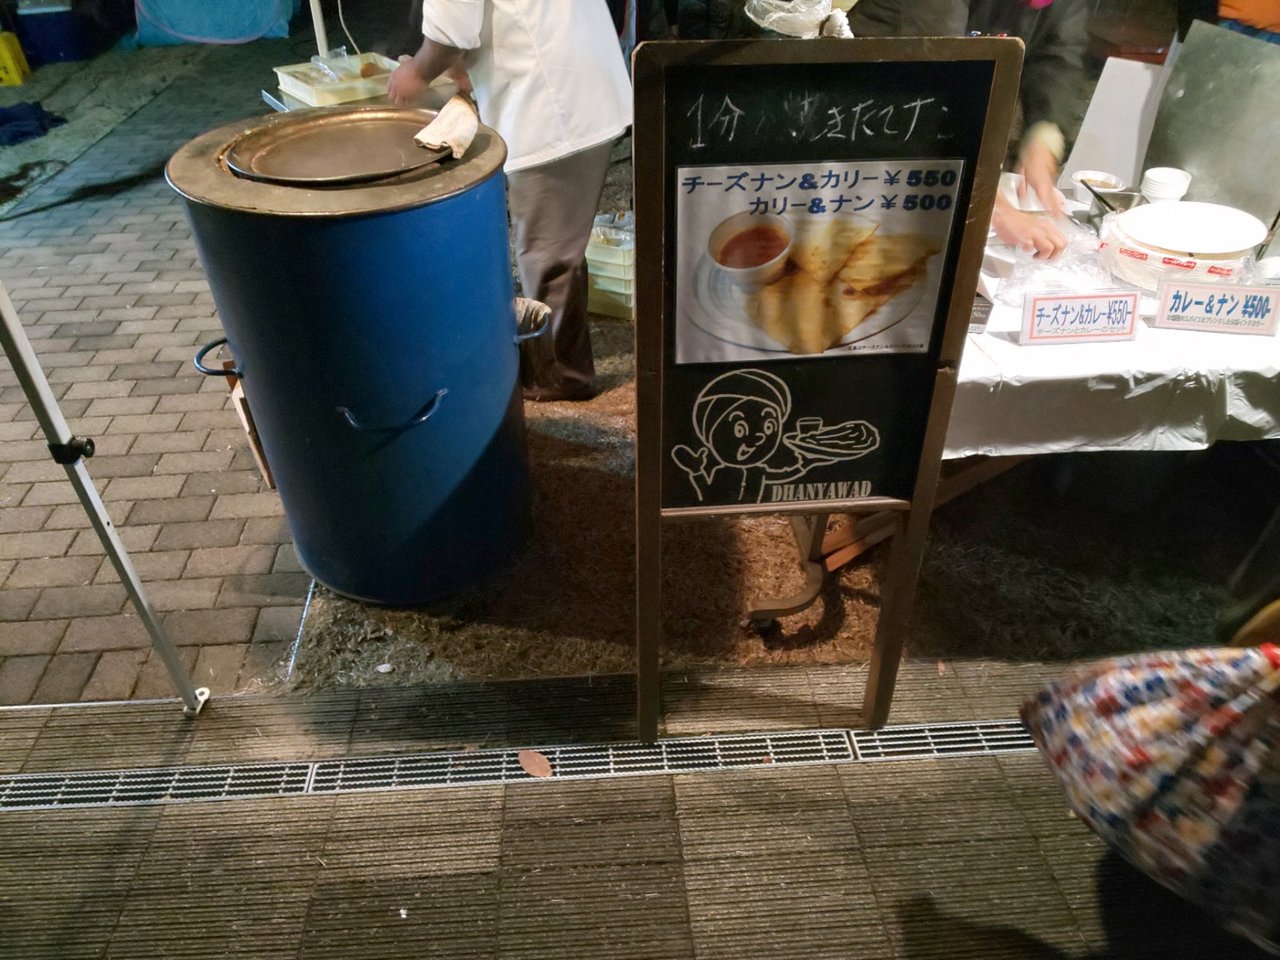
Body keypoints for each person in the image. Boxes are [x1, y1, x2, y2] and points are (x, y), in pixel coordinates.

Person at [389, 1, 633, 402]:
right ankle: (558, 364)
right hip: (576, 74)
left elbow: (449, 32)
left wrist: (414, 73)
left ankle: (562, 375)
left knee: (548, 254)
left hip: (550, 97)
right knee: (557, 241)